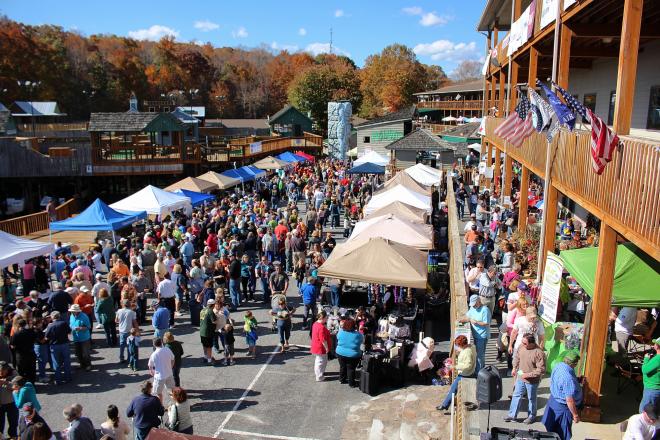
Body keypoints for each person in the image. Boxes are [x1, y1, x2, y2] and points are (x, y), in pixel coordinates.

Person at [505, 333, 546, 424]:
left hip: (532, 381)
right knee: (516, 395)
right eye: (522, 342)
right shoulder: (521, 346)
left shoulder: (539, 353)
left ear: (532, 343)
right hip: (521, 376)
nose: (523, 345)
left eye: (525, 343)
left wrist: (527, 375)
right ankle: (512, 415)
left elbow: (541, 370)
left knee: (531, 398)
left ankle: (531, 416)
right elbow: (516, 357)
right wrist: (514, 368)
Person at [541, 351, 583, 440]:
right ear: (574, 364)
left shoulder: (558, 365)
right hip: (563, 408)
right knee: (562, 434)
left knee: (551, 431)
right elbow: (569, 400)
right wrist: (575, 415)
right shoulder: (567, 378)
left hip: (553, 401)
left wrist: (577, 380)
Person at [437, 335, 476, 411]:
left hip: (465, 374)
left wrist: (454, 367)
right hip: (470, 372)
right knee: (454, 389)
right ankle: (446, 404)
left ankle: (445, 405)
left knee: (453, 389)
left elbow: (467, 365)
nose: (458, 347)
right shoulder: (471, 346)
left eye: (458, 345)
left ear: (462, 345)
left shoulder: (466, 352)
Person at [460, 295, 491, 373]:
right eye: (472, 304)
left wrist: (476, 322)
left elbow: (486, 323)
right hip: (475, 335)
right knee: (477, 354)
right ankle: (478, 371)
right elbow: (468, 317)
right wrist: (460, 320)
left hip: (482, 336)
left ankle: (479, 373)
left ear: (478, 301)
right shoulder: (472, 308)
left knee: (480, 355)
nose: (473, 306)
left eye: (474, 304)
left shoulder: (485, 310)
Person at [44, 311, 72, 384]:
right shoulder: (64, 323)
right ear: (59, 316)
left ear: (52, 317)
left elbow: (46, 337)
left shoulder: (50, 326)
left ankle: (58, 380)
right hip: (64, 344)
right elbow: (69, 332)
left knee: (56, 363)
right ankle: (68, 378)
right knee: (66, 361)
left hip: (54, 346)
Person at [335, 318, 363, 387]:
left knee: (342, 366)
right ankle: (351, 383)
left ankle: (342, 379)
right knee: (351, 369)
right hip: (353, 355)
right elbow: (361, 343)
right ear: (354, 326)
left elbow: (338, 338)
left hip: (340, 353)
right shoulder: (358, 335)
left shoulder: (340, 332)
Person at [148, 338, 175, 403]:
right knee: (171, 390)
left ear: (154, 345)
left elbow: (150, 366)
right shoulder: (167, 349)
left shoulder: (154, 354)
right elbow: (173, 359)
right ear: (161, 343)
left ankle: (160, 406)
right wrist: (170, 367)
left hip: (159, 377)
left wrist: (152, 372)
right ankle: (175, 403)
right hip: (169, 374)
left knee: (158, 393)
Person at [68, 304, 92, 371]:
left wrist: (80, 328)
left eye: (73, 311)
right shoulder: (71, 316)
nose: (72, 312)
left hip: (84, 338)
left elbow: (88, 326)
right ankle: (82, 364)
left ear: (77, 311)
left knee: (86, 353)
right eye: (71, 311)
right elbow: (70, 324)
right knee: (78, 353)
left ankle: (88, 365)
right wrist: (71, 328)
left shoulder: (84, 316)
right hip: (76, 338)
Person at [310, 311, 332, 382]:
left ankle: (319, 373)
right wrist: (327, 348)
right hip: (320, 348)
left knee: (319, 361)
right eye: (326, 318)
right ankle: (319, 376)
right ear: (323, 318)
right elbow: (323, 340)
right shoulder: (321, 327)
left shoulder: (315, 324)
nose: (327, 319)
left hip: (316, 346)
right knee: (321, 362)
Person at [640, 337, 660, 413]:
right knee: (654, 411)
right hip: (656, 388)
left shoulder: (658, 359)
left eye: (655, 343)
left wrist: (646, 359)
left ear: (657, 346)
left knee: (644, 411)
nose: (653, 344)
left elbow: (644, 370)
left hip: (652, 389)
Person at [116, 299, 138, 363]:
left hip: (121, 331)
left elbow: (116, 320)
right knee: (129, 345)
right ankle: (129, 359)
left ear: (123, 304)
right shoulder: (132, 312)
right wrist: (137, 330)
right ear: (129, 304)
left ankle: (121, 358)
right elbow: (135, 322)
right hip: (129, 331)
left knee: (122, 345)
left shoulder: (119, 311)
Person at [0, 362, 18, 439]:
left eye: (3, 371)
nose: (1, 374)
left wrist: (6, 383)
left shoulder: (13, 373)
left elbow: (18, 385)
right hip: (0, 403)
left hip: (11, 402)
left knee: (13, 421)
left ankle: (13, 436)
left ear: (7, 370)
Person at [199, 299, 217, 364]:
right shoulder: (210, 311)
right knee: (209, 347)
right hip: (208, 332)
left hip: (202, 331)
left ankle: (205, 357)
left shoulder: (202, 310)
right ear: (213, 305)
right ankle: (209, 360)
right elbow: (214, 321)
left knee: (204, 345)